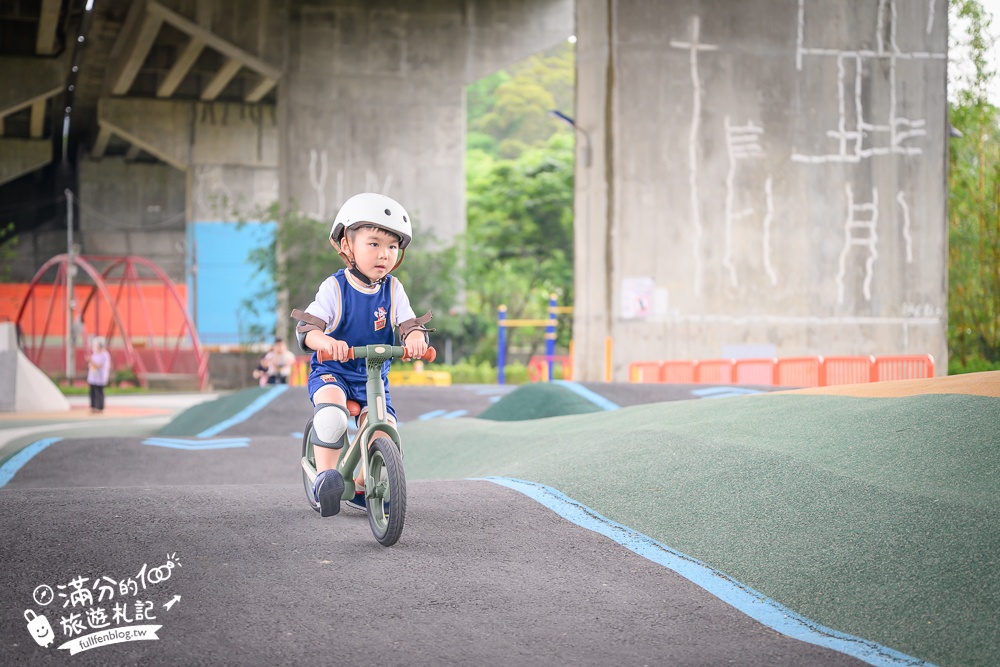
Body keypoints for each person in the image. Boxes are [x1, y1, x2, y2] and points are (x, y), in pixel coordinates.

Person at [291, 192, 432, 517]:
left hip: (372, 377)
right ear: (346, 245)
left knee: (384, 429)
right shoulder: (334, 288)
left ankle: (360, 482)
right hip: (333, 372)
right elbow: (307, 330)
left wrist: (415, 339)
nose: (384, 254)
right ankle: (325, 478)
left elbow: (409, 323)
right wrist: (324, 341)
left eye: (393, 247)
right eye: (374, 244)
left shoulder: (393, 290)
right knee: (332, 417)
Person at [86, 336, 111, 413]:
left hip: (100, 377)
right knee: (92, 392)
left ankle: (99, 407)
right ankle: (93, 407)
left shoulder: (104, 355)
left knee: (99, 393)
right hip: (93, 376)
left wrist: (90, 361)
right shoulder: (95, 354)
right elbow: (92, 364)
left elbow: (98, 365)